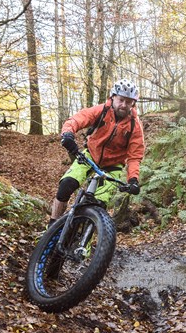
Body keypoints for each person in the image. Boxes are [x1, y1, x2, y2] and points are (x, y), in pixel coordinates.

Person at [49, 79, 145, 226]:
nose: (124, 105)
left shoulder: (134, 125)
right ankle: (51, 226)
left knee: (97, 206)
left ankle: (83, 245)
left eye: (129, 102)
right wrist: (68, 134)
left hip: (113, 167)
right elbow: (77, 119)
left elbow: (135, 156)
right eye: (121, 100)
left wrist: (133, 179)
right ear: (113, 97)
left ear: (133, 103)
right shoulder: (101, 111)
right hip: (90, 156)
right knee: (66, 185)